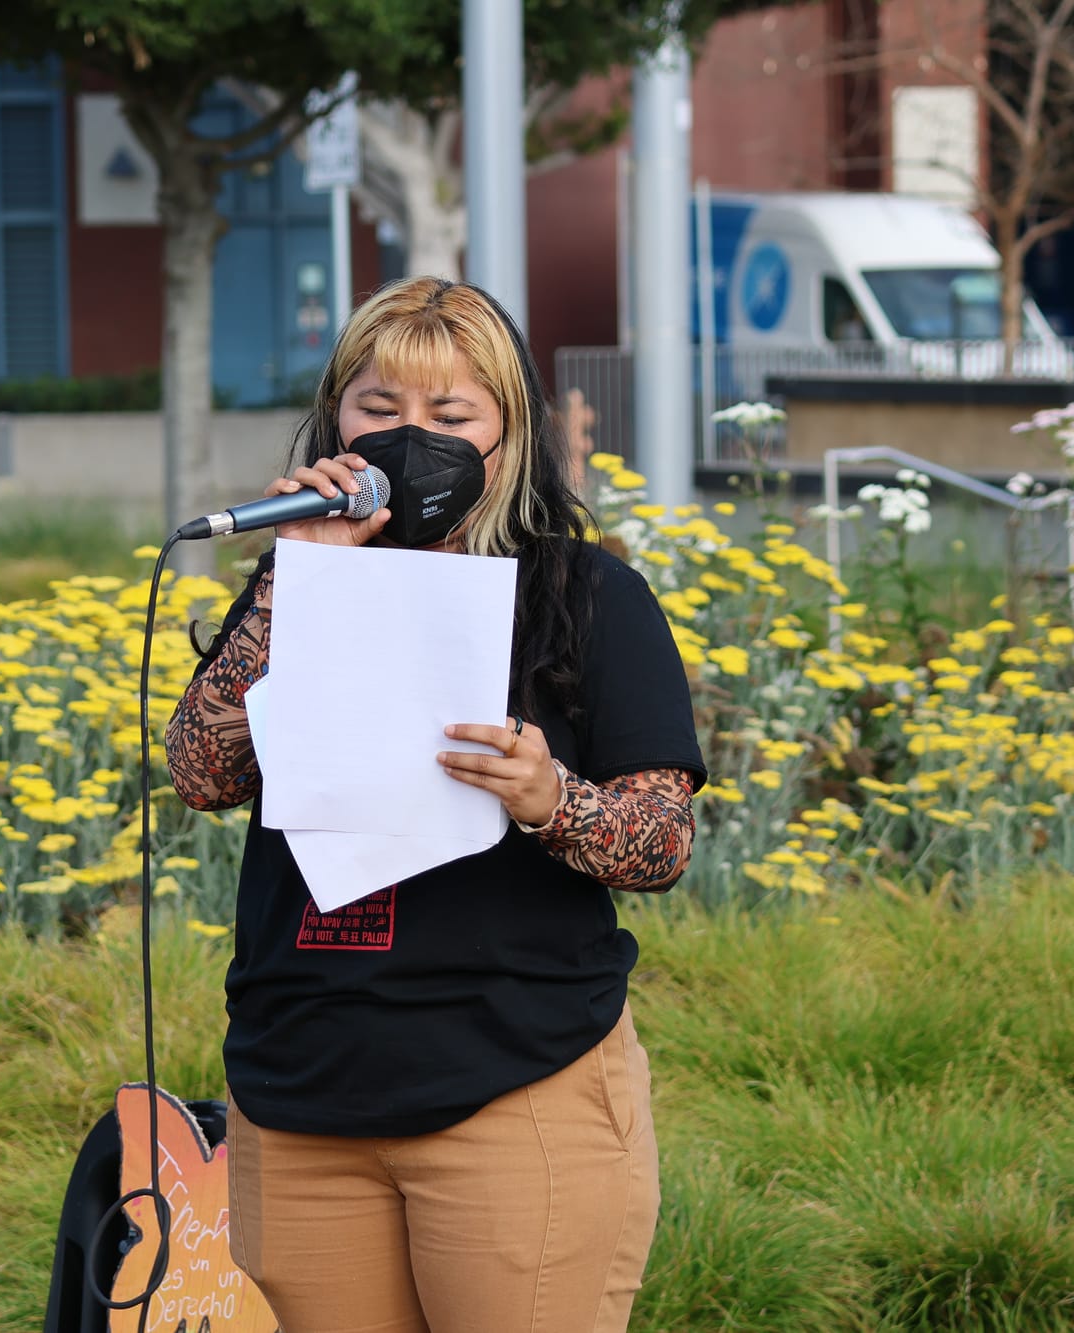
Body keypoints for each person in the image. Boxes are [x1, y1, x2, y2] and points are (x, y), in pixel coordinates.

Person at [164, 276, 706, 1333]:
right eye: (379, 411)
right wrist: (293, 582)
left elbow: (661, 838)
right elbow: (201, 770)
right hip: (304, 1081)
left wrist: (551, 800)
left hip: (512, 1078)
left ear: (508, 438)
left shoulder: (587, 596)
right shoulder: (300, 582)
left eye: (450, 418)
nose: (411, 440)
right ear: (334, 422)